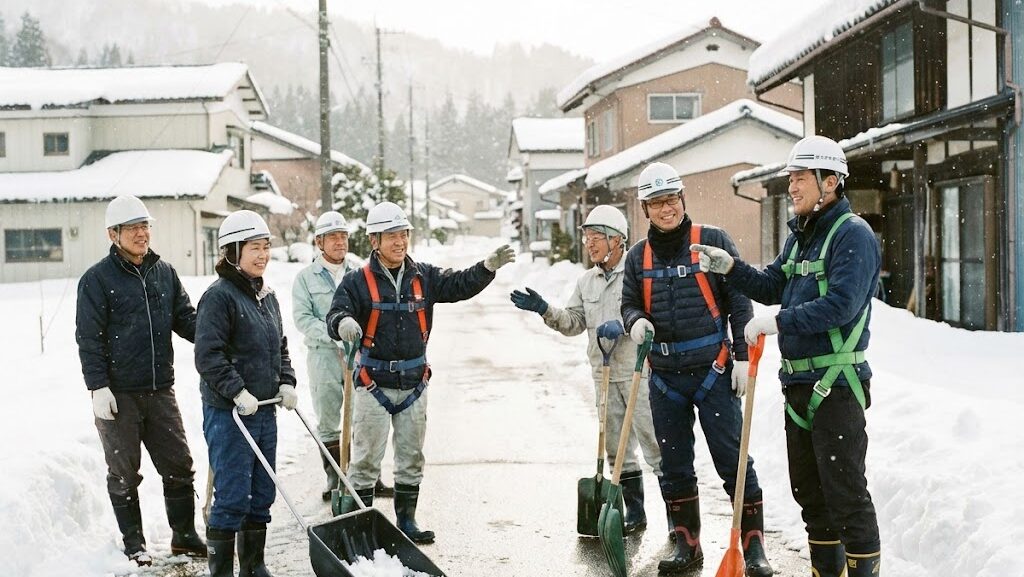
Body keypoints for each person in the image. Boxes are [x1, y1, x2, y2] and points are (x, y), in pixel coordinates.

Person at [692, 135, 882, 577]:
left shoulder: (852, 235)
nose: (792, 187)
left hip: (836, 386)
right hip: (797, 384)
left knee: (846, 493)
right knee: (811, 494)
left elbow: (842, 304)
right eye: (791, 178)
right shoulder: (800, 238)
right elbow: (772, 284)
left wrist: (776, 323)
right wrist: (731, 268)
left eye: (800, 178)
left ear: (830, 181)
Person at [326, 201, 515, 544]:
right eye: (392, 236)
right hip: (372, 385)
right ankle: (360, 529)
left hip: (414, 384)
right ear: (374, 241)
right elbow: (335, 313)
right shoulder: (356, 281)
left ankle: (407, 521)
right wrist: (344, 322)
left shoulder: (423, 276)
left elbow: (458, 285)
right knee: (366, 461)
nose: (400, 242)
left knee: (411, 458)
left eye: (404, 234)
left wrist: (487, 267)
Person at [620, 163, 773, 576]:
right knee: (675, 466)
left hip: (714, 373)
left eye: (671, 200)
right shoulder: (638, 257)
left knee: (733, 461)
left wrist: (742, 355)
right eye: (656, 203)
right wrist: (636, 323)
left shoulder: (712, 242)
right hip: (665, 378)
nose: (666, 209)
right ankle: (687, 543)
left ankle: (753, 546)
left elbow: (739, 298)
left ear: (681, 199)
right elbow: (628, 304)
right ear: (645, 209)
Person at [509, 205, 663, 535]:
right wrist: (544, 309)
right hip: (604, 374)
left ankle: (680, 522)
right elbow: (574, 323)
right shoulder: (586, 282)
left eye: (596, 237)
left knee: (655, 446)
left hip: (639, 374)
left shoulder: (636, 275)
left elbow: (652, 319)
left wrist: (623, 326)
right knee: (615, 449)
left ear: (617, 240)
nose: (589, 244)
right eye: (586, 237)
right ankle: (635, 513)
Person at [76, 195, 205, 566]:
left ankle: (183, 535)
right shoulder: (97, 280)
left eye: (145, 226)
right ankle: (134, 542)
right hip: (118, 394)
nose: (141, 233)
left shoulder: (163, 271)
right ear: (112, 234)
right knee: (124, 472)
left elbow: (185, 318)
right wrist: (98, 387)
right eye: (132, 228)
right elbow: (89, 337)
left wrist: (215, 335)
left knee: (179, 464)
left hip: (160, 389)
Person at [195, 210, 298, 577]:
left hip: (264, 410)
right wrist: (237, 391)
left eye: (266, 247)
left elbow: (280, 346)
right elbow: (208, 356)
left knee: (261, 495)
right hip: (230, 414)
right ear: (233, 251)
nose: (263, 255)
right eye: (255, 247)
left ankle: (253, 567)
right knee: (234, 495)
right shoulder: (218, 297)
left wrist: (286, 381)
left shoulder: (266, 296)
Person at [292, 211, 393, 502]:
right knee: (328, 417)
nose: (340, 242)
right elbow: (303, 318)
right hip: (323, 355)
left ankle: (368, 477)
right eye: (333, 237)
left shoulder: (359, 274)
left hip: (358, 357)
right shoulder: (305, 279)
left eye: (344, 236)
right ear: (319, 242)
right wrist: (335, 334)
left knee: (363, 415)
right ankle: (335, 479)